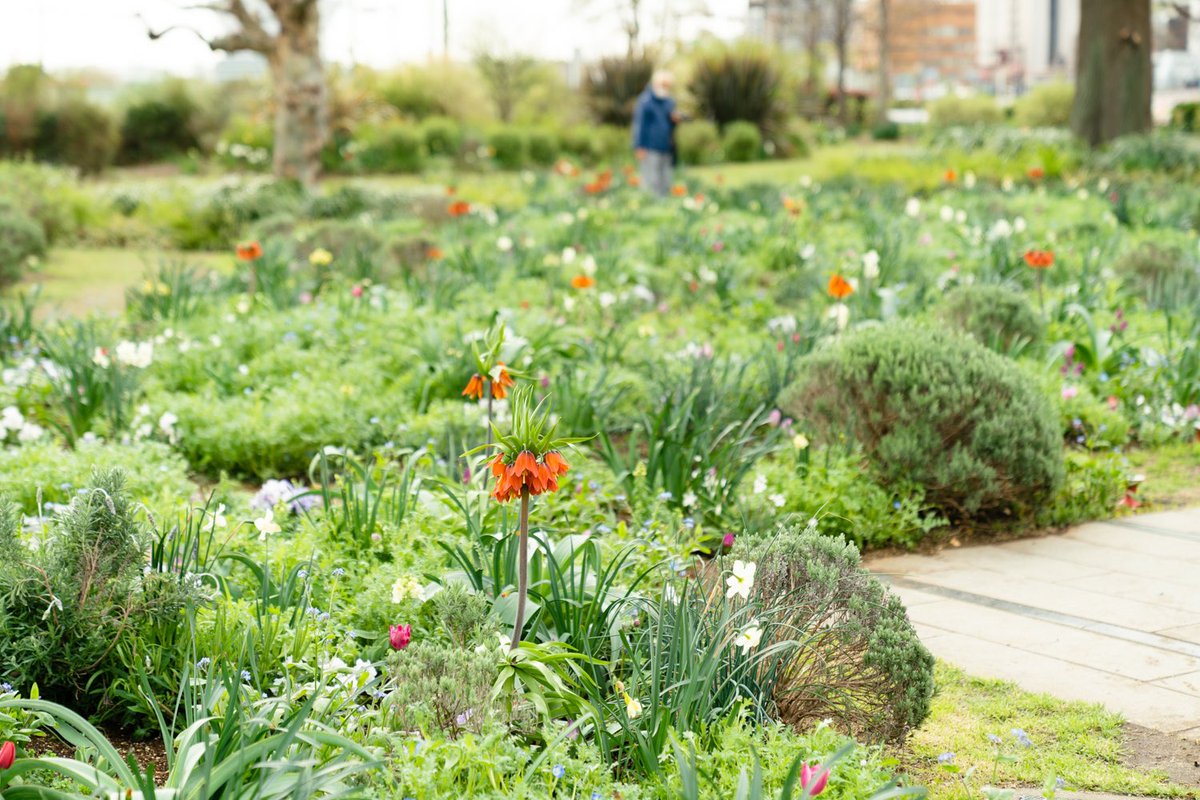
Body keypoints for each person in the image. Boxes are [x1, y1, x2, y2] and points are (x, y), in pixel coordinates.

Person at [632, 70, 681, 197]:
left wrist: (674, 121)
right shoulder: (645, 101)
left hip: (666, 147)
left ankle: (663, 209)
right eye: (663, 85)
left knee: (665, 180)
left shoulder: (669, 102)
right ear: (656, 83)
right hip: (649, 147)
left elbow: (670, 125)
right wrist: (639, 146)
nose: (665, 88)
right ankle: (650, 207)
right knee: (651, 180)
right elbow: (639, 125)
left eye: (667, 86)